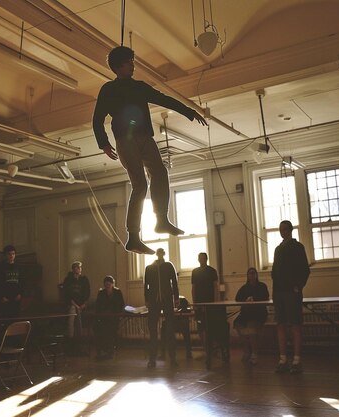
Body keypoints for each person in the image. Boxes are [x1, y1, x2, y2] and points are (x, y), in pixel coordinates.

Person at [92, 46, 207, 255]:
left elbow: (164, 99)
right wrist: (104, 143)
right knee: (140, 185)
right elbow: (97, 119)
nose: (133, 65)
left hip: (145, 136)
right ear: (118, 66)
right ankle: (133, 237)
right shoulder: (108, 89)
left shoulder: (139, 87)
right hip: (125, 140)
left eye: (132, 61)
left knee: (160, 173)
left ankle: (161, 219)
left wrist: (189, 111)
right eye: (128, 62)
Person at [271, 220, 310, 374]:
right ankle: (282, 359)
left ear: (290, 230)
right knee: (280, 324)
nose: (282, 232)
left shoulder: (298, 247)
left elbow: (305, 270)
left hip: (292, 293)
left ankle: (296, 359)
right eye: (280, 229)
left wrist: (298, 287)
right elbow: (275, 270)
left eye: (285, 229)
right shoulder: (277, 249)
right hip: (279, 292)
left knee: (295, 325)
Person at [144, 248, 179, 368]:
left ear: (163, 254)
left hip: (167, 299)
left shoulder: (169, 266)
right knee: (152, 329)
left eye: (161, 252)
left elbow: (174, 281)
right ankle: (152, 359)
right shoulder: (149, 268)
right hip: (154, 301)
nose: (160, 254)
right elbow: (146, 284)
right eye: (158, 252)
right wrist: (147, 299)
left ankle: (173, 358)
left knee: (170, 329)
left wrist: (176, 297)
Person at [234, 267, 269, 365]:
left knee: (250, 328)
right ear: (247, 276)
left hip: (258, 314)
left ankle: (254, 353)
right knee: (238, 324)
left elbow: (265, 297)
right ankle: (246, 350)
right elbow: (237, 298)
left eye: (253, 273)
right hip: (245, 314)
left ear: (256, 275)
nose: (251, 275)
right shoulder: (244, 287)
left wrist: (254, 299)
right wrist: (246, 299)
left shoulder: (262, 286)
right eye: (249, 273)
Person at [94, 275, 125, 360]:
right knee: (100, 329)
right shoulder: (101, 293)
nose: (107, 286)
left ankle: (110, 350)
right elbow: (98, 305)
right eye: (106, 284)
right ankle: (104, 350)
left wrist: (115, 312)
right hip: (103, 317)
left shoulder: (118, 292)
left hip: (114, 317)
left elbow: (121, 304)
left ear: (112, 284)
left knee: (111, 330)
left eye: (109, 284)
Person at [62, 261, 90, 353]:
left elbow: (87, 293)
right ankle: (72, 339)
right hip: (72, 304)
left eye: (79, 268)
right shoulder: (68, 280)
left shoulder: (84, 279)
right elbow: (67, 295)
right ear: (74, 269)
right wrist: (76, 305)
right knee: (73, 313)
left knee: (77, 315)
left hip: (82, 305)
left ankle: (79, 341)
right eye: (77, 267)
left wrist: (83, 304)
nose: (79, 269)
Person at [191, 252, 219, 345]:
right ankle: (204, 345)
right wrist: (194, 303)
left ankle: (211, 345)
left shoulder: (212, 271)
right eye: (200, 258)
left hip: (210, 302)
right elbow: (193, 288)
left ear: (206, 259)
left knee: (211, 324)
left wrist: (215, 302)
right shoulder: (195, 272)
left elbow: (215, 287)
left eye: (203, 258)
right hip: (199, 303)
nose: (201, 260)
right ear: (198, 259)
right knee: (200, 325)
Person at [0, 245, 23, 317]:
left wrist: (20, 294)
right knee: (5, 318)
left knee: (16, 318)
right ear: (5, 255)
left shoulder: (18, 266)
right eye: (9, 254)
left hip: (16, 297)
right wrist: (1, 296)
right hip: (5, 298)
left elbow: (22, 281)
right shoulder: (0, 267)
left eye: (13, 254)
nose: (11, 256)